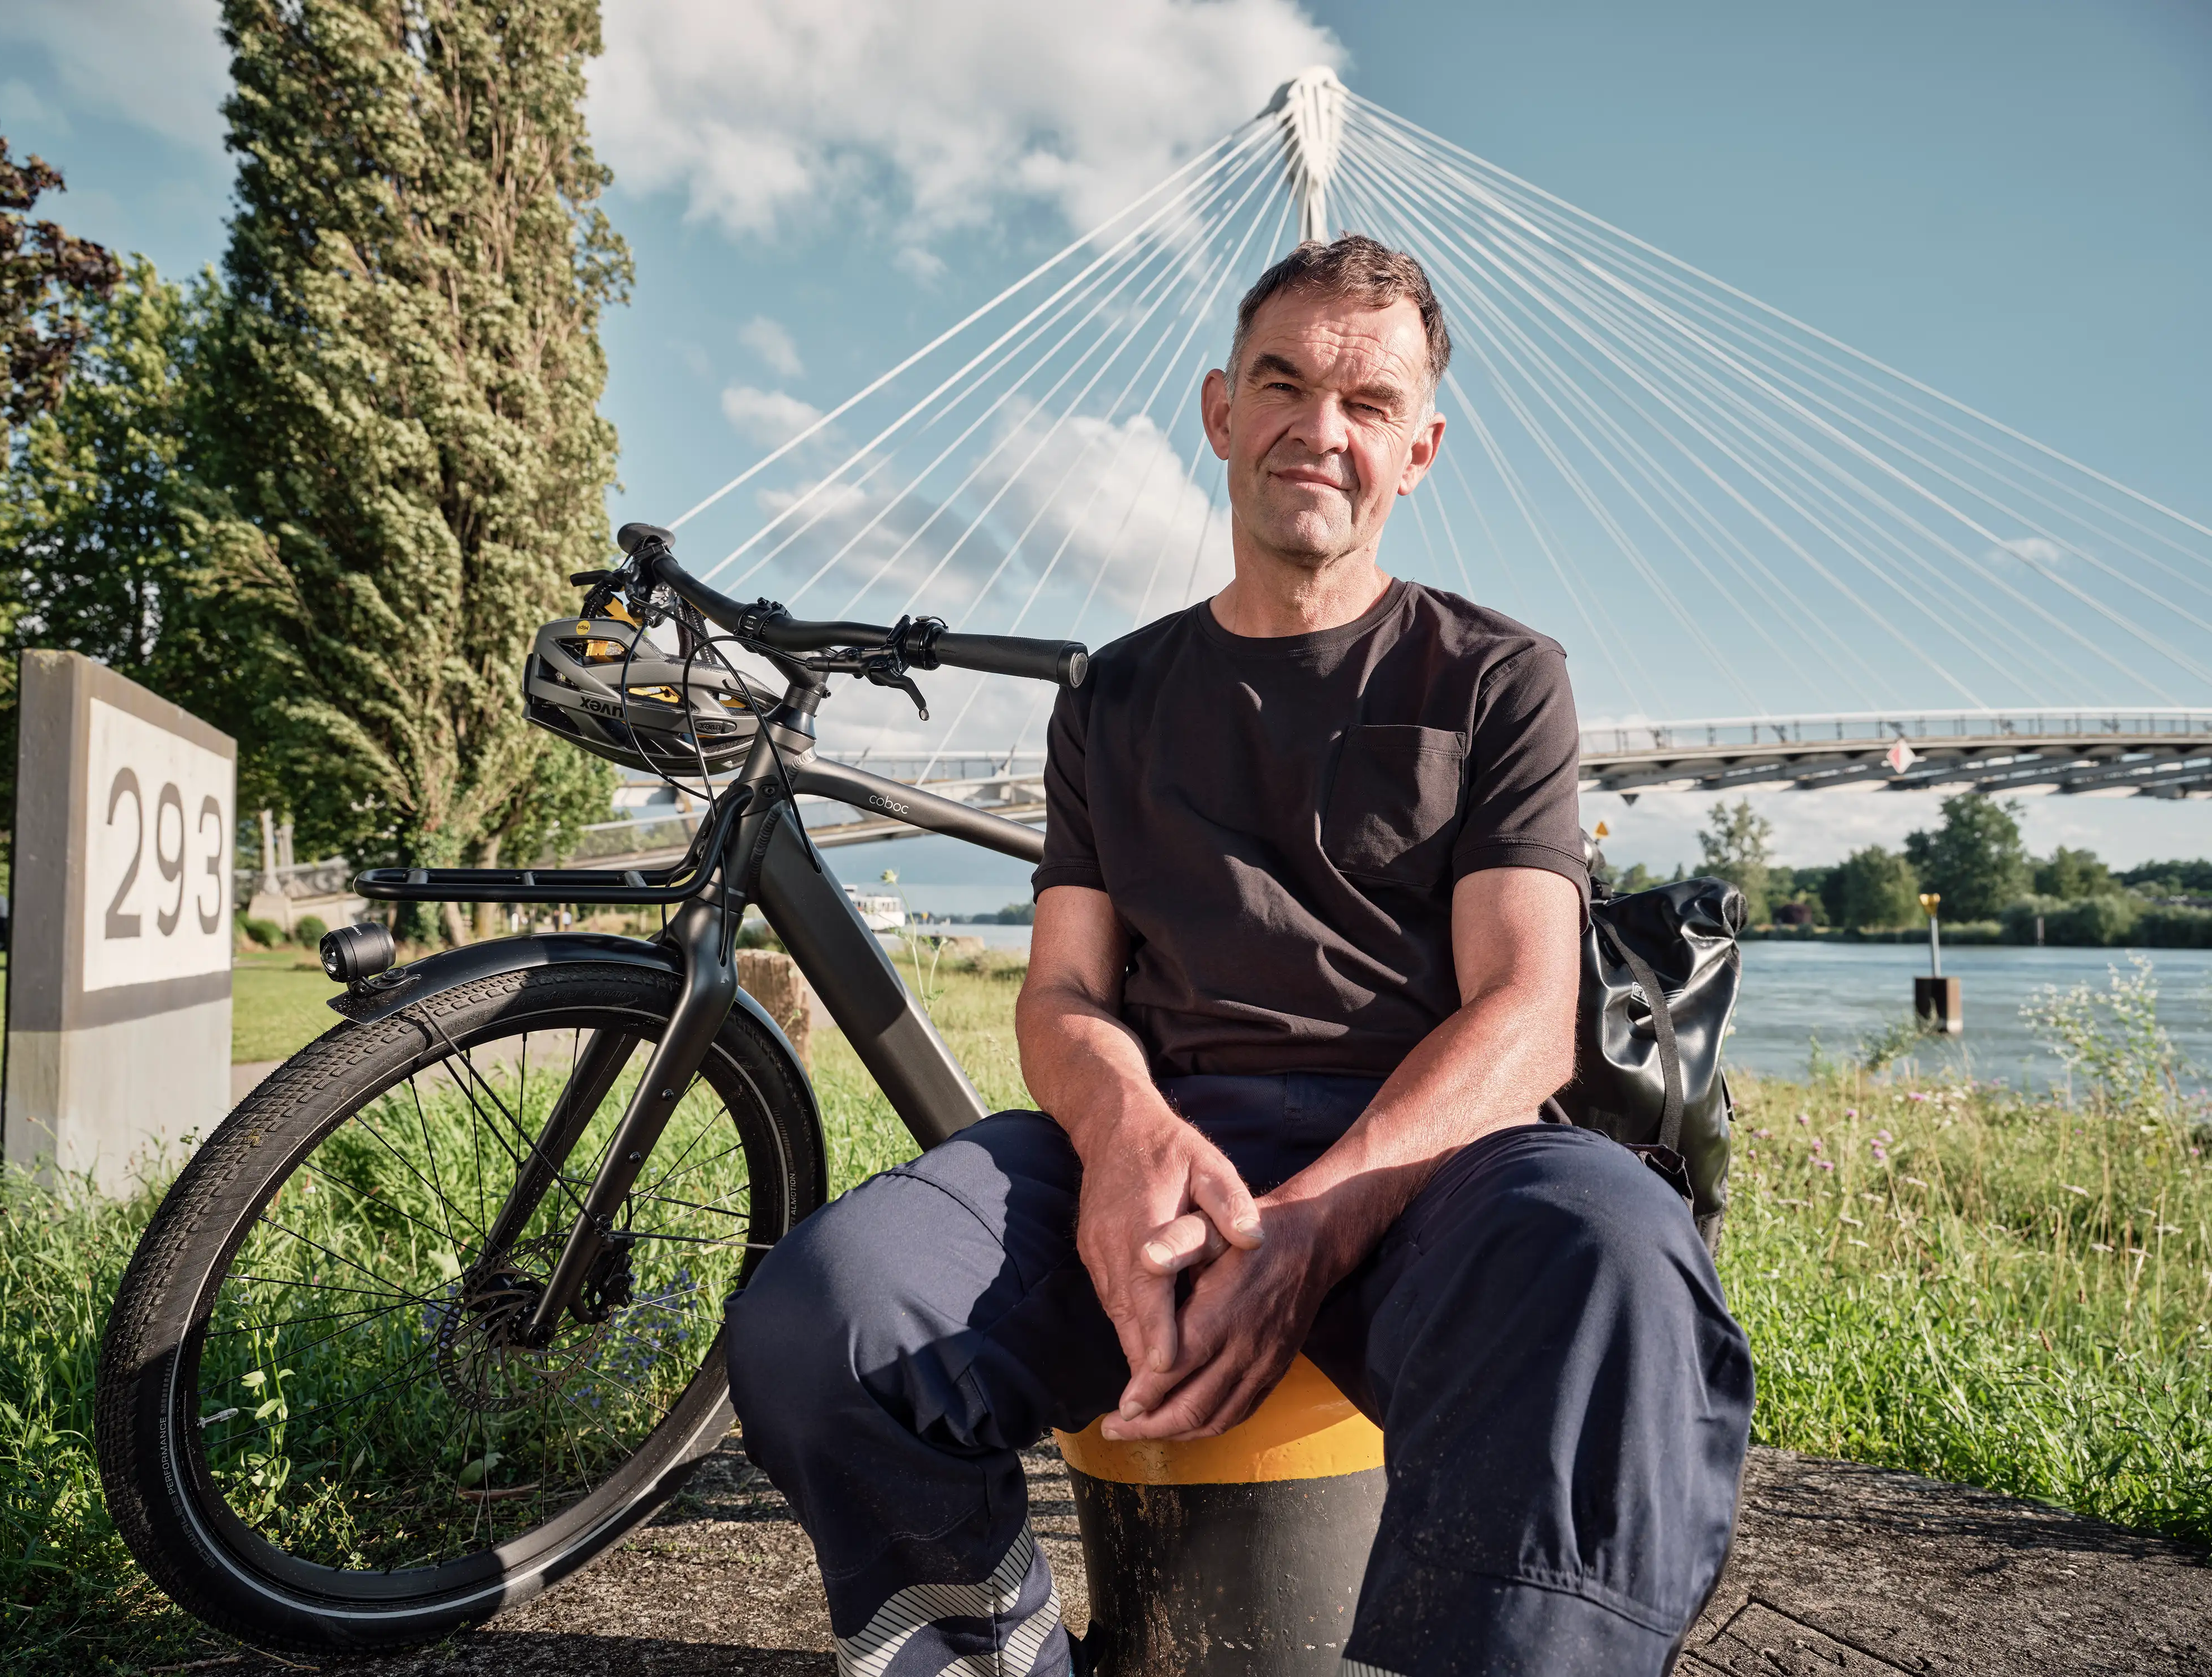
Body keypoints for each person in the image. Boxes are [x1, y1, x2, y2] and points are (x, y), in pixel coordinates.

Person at [727, 236, 1752, 1677]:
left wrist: (1314, 1229)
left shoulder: (1499, 679)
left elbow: (1524, 1012)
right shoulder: (1116, 696)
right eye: (1282, 381)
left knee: (1612, 1260)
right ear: (1220, 411)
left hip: (1429, 1170)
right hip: (1164, 1152)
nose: (1318, 429)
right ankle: (994, 1649)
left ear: (1422, 447)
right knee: (822, 1314)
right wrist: (1126, 1126)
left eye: (1369, 402)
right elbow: (1067, 992)